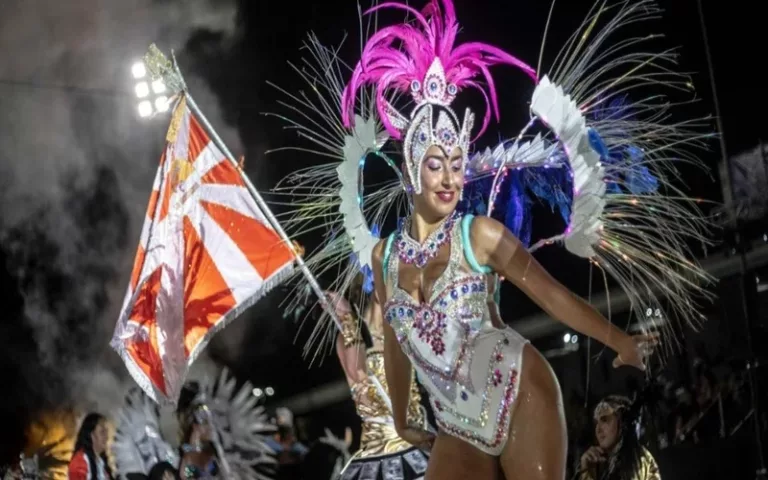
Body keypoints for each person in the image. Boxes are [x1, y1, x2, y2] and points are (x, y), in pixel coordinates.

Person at [269, 0, 710, 478]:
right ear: (412, 171)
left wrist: (618, 339)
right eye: (436, 165)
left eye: (457, 166)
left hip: (521, 393)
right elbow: (395, 344)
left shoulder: (479, 235)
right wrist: (402, 417)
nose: (449, 179)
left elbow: (553, 297)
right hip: (457, 425)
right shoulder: (385, 256)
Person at [327, 274, 431, 479]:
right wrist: (347, 320)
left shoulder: (403, 327)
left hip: (421, 441)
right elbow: (358, 375)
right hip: (383, 454)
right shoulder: (349, 332)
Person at [579, 396, 661, 480]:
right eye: (596, 423)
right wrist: (586, 469)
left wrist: (586, 474)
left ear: (622, 423)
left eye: (605, 420)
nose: (598, 429)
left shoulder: (636, 457)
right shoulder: (602, 461)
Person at [69, 413, 114, 480]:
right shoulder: (79, 463)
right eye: (102, 432)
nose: (107, 437)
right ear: (92, 436)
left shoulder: (101, 461)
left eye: (106, 431)